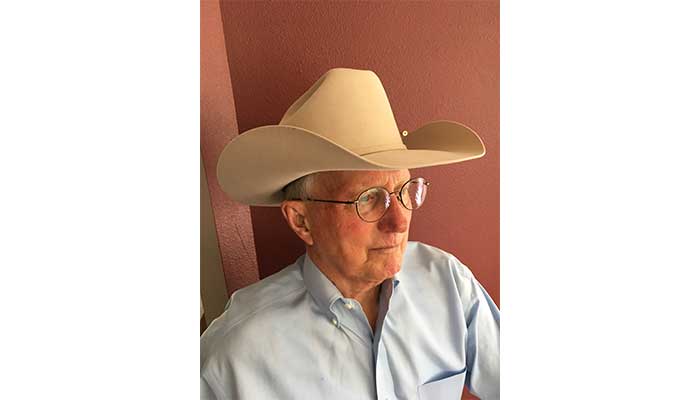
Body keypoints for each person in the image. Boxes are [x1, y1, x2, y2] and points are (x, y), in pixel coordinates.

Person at [201, 68, 500, 400]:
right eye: (369, 198)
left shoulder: (448, 284)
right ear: (301, 221)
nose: (399, 222)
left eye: (405, 191)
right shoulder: (235, 353)